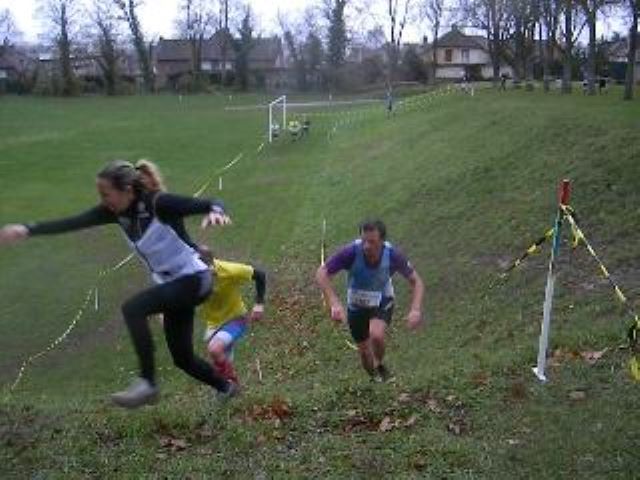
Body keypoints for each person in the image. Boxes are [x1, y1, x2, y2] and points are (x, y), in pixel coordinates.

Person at [0, 160, 237, 408]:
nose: (103, 200)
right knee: (183, 359)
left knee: (133, 307)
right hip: (174, 287)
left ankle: (148, 383)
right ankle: (226, 387)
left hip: (195, 279)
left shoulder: (157, 203)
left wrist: (216, 211)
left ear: (127, 189)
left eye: (106, 194)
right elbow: (72, 222)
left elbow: (211, 202)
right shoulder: (113, 212)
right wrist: (26, 229)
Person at [315, 220, 425, 382]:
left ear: (382, 241)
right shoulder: (351, 252)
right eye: (364, 241)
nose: (366, 246)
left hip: (382, 300)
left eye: (372, 242)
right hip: (356, 306)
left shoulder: (392, 255)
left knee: (376, 335)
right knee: (364, 352)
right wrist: (334, 303)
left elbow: (417, 282)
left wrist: (415, 309)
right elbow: (321, 273)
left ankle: (380, 364)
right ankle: (373, 376)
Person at [198, 247, 266, 389]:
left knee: (215, 349)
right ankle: (228, 385)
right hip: (213, 324)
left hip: (236, 319)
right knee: (219, 360)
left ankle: (233, 386)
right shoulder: (190, 277)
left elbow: (260, 275)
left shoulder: (229, 270)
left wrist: (259, 304)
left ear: (211, 268)